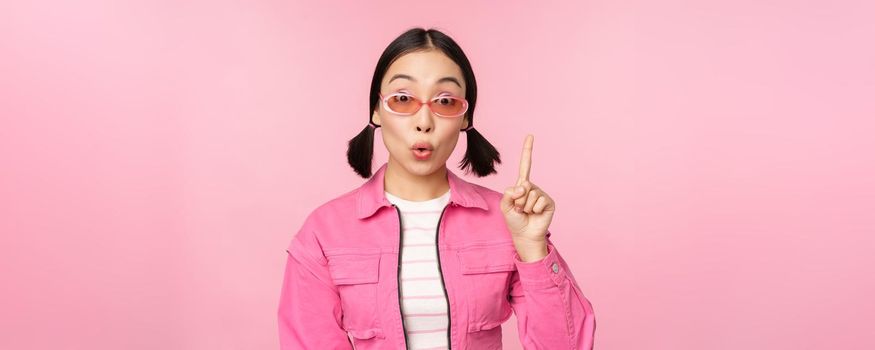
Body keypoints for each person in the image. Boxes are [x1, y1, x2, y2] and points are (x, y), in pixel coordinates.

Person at [278, 27, 596, 350]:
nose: (424, 121)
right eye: (402, 99)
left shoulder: (505, 220)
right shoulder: (323, 233)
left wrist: (532, 248)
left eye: (445, 101)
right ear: (376, 109)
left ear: (464, 117)